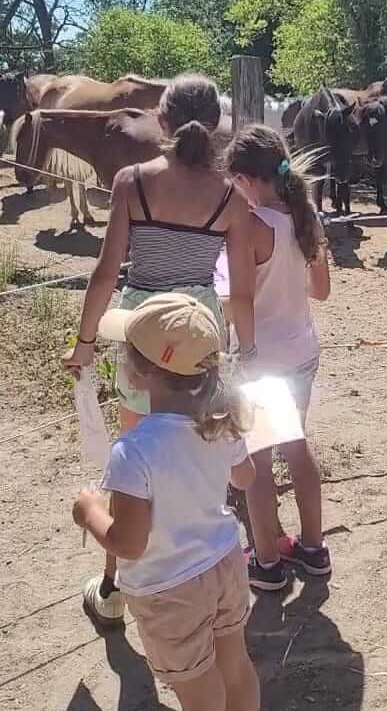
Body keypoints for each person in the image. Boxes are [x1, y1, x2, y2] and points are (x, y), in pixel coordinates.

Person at [72, 293, 264, 711]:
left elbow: (128, 543)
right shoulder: (221, 421)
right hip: (225, 564)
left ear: (138, 369)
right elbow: (246, 480)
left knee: (201, 707)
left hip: (168, 590)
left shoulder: (133, 451)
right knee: (236, 665)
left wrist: (91, 512)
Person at [65, 73, 256, 626]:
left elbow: (105, 273)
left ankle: (113, 586)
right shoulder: (230, 196)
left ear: (161, 120)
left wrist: (83, 343)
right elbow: (241, 291)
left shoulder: (132, 181)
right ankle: (202, 561)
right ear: (214, 125)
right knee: (206, 445)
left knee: (133, 453)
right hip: (201, 332)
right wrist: (247, 351)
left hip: (142, 332)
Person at [222, 123, 331, 593]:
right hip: (302, 351)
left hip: (261, 357)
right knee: (297, 444)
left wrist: (243, 353)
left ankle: (266, 561)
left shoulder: (249, 226)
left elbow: (238, 298)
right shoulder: (305, 216)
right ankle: (313, 547)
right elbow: (321, 290)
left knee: (258, 460)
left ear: (245, 179)